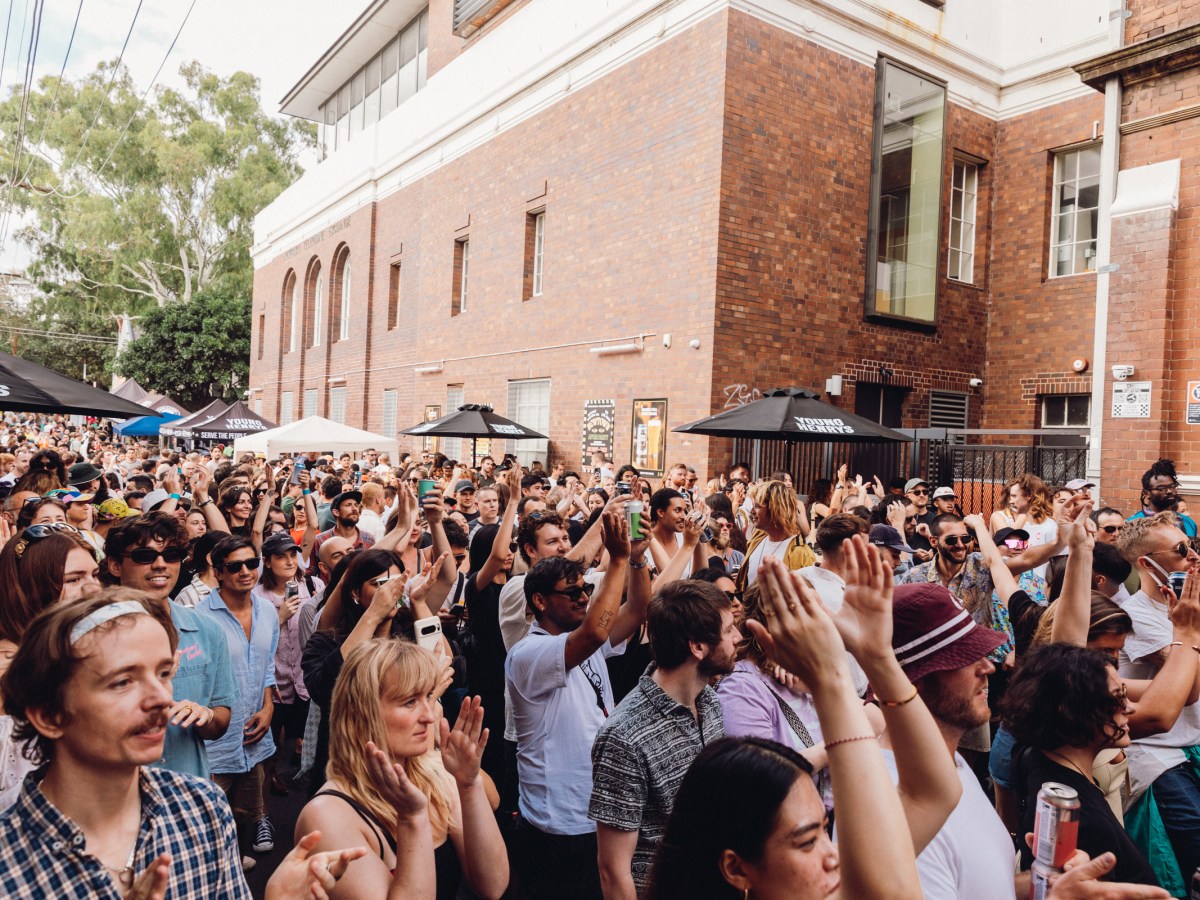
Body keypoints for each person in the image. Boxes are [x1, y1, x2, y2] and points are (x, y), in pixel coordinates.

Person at [0, 590, 253, 898]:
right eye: (123, 681)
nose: (162, 698)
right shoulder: (9, 864)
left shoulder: (202, 808)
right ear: (49, 716)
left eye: (163, 673)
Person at [296, 639, 509, 899]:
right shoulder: (327, 815)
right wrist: (411, 818)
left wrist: (468, 783)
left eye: (428, 696)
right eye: (410, 701)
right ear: (364, 710)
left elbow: (493, 885)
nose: (429, 716)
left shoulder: (436, 773)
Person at [506, 511, 649, 899]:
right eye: (572, 593)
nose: (583, 597)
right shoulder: (528, 653)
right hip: (559, 825)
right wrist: (617, 559)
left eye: (584, 589)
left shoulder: (583, 641)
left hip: (597, 814)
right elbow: (596, 631)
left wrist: (636, 559)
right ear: (540, 600)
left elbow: (636, 610)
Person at [590, 580, 735, 897]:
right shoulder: (624, 736)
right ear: (697, 647)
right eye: (729, 630)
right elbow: (613, 870)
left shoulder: (708, 700)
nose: (738, 637)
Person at [1003, 643, 1158, 886]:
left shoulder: (1032, 754)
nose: (1130, 707)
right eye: (1118, 697)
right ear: (1075, 709)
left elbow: (1055, 674)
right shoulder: (1082, 825)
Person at [105, 512, 234, 779]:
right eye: (144, 556)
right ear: (116, 566)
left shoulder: (208, 631)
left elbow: (222, 718)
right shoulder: (94, 637)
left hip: (188, 790)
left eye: (172, 554)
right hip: (118, 794)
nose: (161, 565)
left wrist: (204, 716)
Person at [1115, 512, 1200, 888]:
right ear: (1147, 563)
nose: (1194, 556)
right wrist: (1190, 628)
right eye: (1182, 550)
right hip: (1156, 751)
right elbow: (1190, 690)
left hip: (1192, 744)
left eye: (1193, 546)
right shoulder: (1133, 616)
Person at [197, 534, 280, 867]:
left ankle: (237, 866)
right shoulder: (201, 618)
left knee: (246, 813)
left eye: (252, 563)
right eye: (235, 566)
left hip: (254, 730)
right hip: (217, 740)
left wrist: (269, 705)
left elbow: (267, 665)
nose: (245, 571)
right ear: (218, 572)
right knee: (210, 817)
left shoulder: (268, 612)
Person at [255, 532, 323, 797]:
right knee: (271, 742)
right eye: (280, 557)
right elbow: (254, 642)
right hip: (275, 680)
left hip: (305, 680)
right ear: (267, 562)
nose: (288, 561)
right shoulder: (257, 596)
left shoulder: (313, 585)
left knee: (310, 738)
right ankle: (268, 784)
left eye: (292, 555)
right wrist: (279, 617)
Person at [736, 480, 815, 591]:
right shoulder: (758, 537)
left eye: (757, 506)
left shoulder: (801, 553)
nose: (752, 511)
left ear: (775, 509)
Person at [309, 490, 376, 577]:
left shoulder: (368, 538)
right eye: (348, 505)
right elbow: (310, 573)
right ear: (336, 512)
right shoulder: (320, 540)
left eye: (356, 505)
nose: (354, 508)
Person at [1130, 459, 1198, 538]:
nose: (1169, 491)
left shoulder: (1188, 522)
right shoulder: (1133, 524)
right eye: (1161, 488)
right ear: (1147, 493)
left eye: (1172, 486)